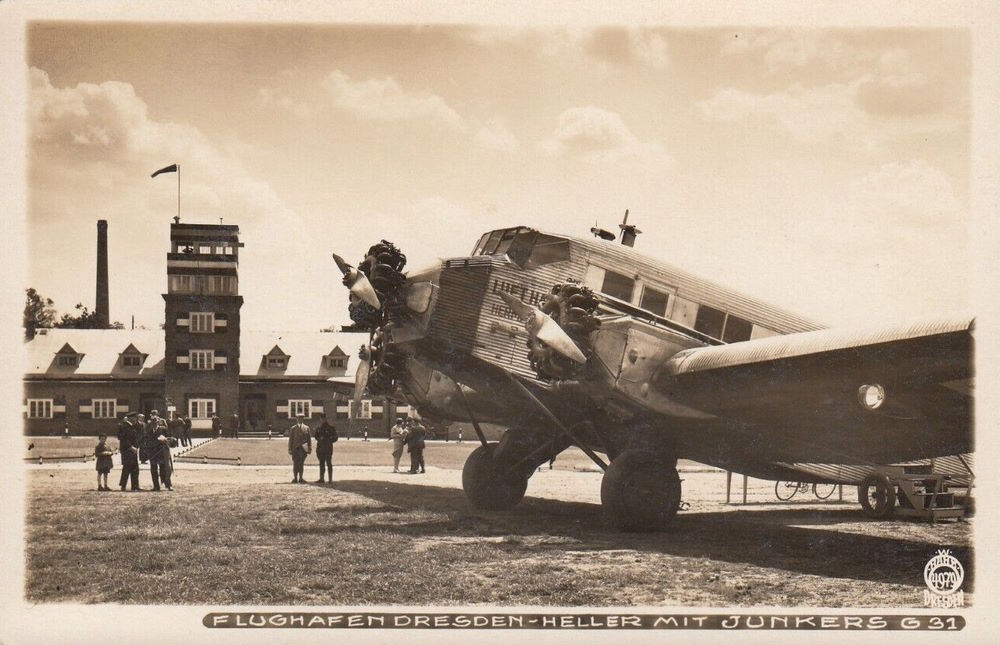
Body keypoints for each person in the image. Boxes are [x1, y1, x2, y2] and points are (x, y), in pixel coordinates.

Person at [144, 410, 172, 491]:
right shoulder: (149, 430)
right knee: (153, 470)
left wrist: (165, 440)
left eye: (156, 422)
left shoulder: (163, 429)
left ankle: (167, 484)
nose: (154, 423)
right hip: (153, 453)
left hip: (161, 452)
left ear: (158, 422)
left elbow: (169, 437)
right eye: (153, 422)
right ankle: (156, 486)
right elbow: (147, 439)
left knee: (163, 469)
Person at [117, 413, 141, 491]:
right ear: (131, 418)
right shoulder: (125, 427)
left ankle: (135, 486)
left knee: (134, 468)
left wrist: (136, 447)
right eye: (135, 418)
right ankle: (123, 485)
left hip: (133, 450)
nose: (136, 420)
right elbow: (124, 439)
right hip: (127, 450)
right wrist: (131, 447)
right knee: (127, 468)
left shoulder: (132, 427)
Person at [313, 413, 339, 483]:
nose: (322, 420)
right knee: (321, 463)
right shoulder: (318, 428)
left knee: (329, 463)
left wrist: (328, 440)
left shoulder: (330, 428)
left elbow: (335, 437)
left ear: (325, 419)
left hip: (328, 448)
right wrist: (320, 439)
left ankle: (330, 479)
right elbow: (316, 436)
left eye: (323, 419)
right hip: (320, 448)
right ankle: (321, 478)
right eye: (321, 419)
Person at [287, 414, 311, 484]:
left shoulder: (307, 428)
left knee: (301, 464)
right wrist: (290, 449)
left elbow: (309, 439)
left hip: (303, 449)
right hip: (295, 448)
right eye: (298, 418)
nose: (300, 419)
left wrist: (309, 448)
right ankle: (295, 478)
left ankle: (301, 477)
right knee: (295, 463)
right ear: (296, 419)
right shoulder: (293, 428)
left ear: (303, 419)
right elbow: (291, 439)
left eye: (301, 418)